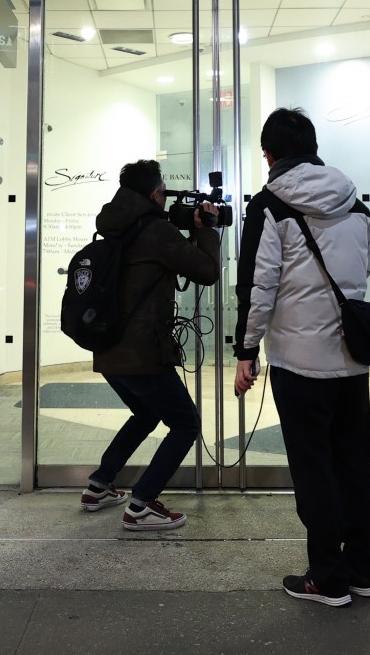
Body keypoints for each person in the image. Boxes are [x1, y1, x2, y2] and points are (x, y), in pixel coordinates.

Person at [232, 107, 370, 606]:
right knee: (354, 465)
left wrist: (246, 350)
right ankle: (363, 570)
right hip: (351, 362)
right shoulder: (358, 207)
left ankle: (327, 577)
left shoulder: (270, 207)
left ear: (269, 154)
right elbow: (361, 275)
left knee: (315, 469)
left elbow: (259, 287)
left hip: (300, 364)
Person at [79, 159, 219, 531]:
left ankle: (99, 485)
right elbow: (207, 271)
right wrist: (207, 231)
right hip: (142, 351)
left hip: (108, 349)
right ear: (156, 193)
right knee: (186, 423)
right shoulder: (155, 231)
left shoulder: (116, 227)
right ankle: (142, 503)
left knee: (146, 413)